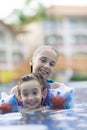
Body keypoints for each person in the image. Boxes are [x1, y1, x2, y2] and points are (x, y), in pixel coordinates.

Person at [10, 45, 74, 110]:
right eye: (43, 60)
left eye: (51, 64)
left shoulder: (58, 89)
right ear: (31, 61)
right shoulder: (16, 91)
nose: (47, 66)